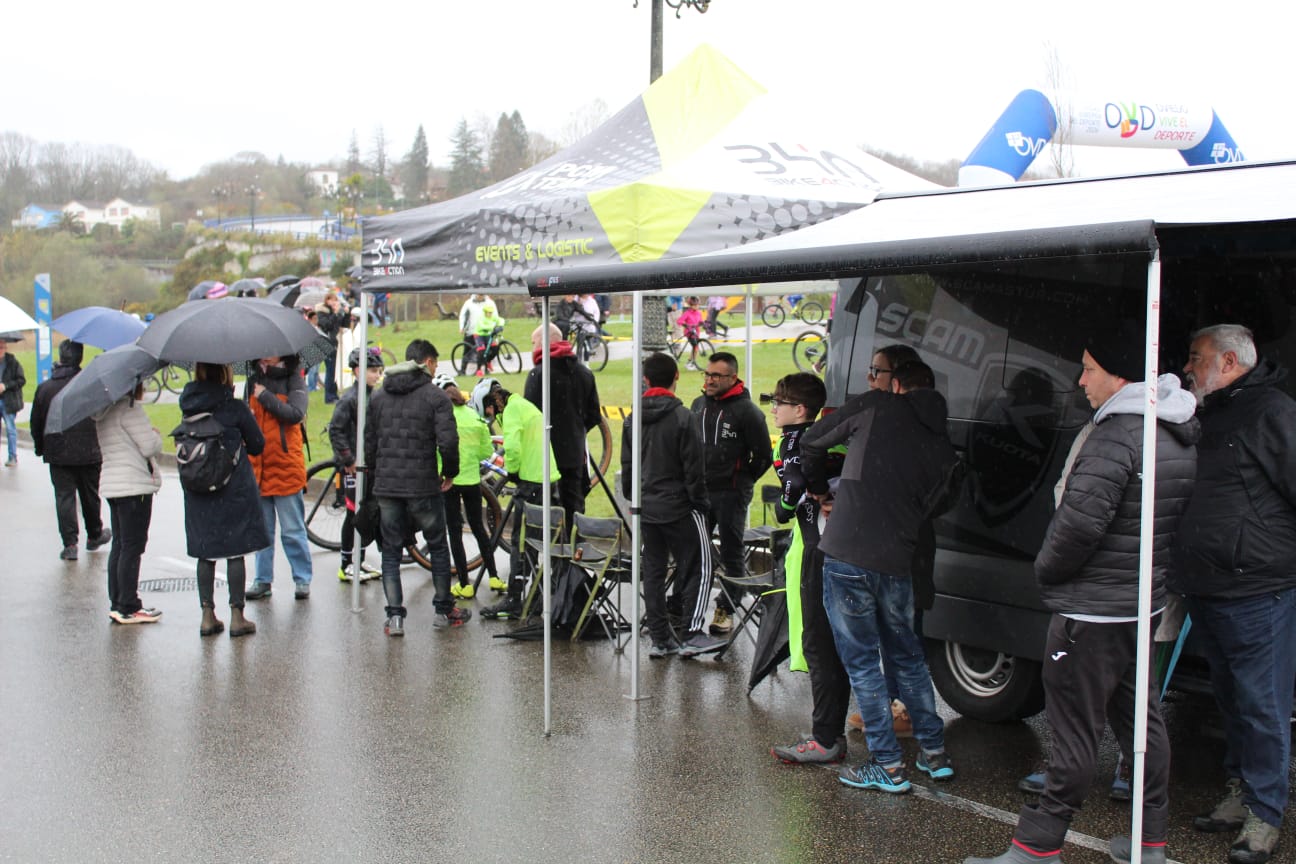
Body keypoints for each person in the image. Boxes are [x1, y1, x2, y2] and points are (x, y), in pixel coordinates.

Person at [965, 326, 1199, 864]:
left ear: (1120, 374)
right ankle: (1150, 842)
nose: (1080, 379)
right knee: (1143, 722)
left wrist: (1046, 573)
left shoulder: (1118, 434)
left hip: (1090, 610)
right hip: (1139, 606)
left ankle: (1036, 846)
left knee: (1073, 731)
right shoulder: (1176, 427)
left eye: (1090, 368)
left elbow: (1077, 528)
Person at [800, 358, 959, 795]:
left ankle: (886, 765)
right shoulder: (945, 447)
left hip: (849, 555)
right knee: (908, 658)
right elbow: (938, 505)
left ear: (898, 386)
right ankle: (934, 754)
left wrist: (818, 489)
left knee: (864, 665)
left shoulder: (876, 407)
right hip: (899, 561)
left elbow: (811, 441)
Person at [1174, 323, 1296, 864]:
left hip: (1258, 590)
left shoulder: (1272, 411)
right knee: (1229, 701)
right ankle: (1240, 791)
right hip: (1209, 587)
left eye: (1196, 358)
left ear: (1228, 361)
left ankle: (1264, 814)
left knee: (1262, 704)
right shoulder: (1206, 411)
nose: (1188, 366)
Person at [767, 373, 851, 764]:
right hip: (833, 542)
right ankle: (829, 730)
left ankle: (826, 737)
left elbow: (796, 481)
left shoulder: (796, 439)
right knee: (832, 642)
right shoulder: (825, 432)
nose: (773, 409)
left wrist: (784, 508)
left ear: (799, 410)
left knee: (820, 643)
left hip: (820, 548)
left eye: (779, 403)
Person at [622, 352, 725, 658]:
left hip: (647, 507)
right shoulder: (684, 417)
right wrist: (700, 503)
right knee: (701, 566)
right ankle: (692, 632)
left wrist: (634, 495)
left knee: (653, 571)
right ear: (676, 377)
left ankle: (660, 638)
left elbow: (628, 464)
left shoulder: (632, 418)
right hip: (680, 506)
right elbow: (695, 467)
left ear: (645, 380)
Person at [364, 339, 467, 635]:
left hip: (387, 485)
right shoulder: (435, 397)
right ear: (428, 363)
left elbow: (369, 442)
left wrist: (375, 474)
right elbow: (448, 441)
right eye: (435, 363)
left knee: (391, 552)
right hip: (423, 484)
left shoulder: (379, 396)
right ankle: (443, 609)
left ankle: (395, 617)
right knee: (437, 546)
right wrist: (450, 472)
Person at [178, 363, 269, 638]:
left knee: (205, 551)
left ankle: (207, 615)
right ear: (225, 374)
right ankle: (237, 616)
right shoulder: (233, 407)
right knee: (234, 549)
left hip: (198, 487)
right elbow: (257, 445)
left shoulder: (188, 406)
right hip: (233, 487)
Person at [690, 352, 772, 635]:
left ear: (732, 378)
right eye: (707, 374)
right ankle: (688, 606)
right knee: (695, 551)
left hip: (731, 494)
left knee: (731, 553)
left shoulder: (748, 412)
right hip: (700, 493)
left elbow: (763, 456)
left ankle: (727, 606)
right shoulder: (698, 405)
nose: (709, 380)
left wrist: (742, 479)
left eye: (716, 376)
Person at [477, 379, 561, 620]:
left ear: (492, 403)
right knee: (534, 541)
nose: (492, 417)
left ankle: (515, 599)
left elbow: (512, 448)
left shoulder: (513, 410)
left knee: (521, 542)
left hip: (534, 481)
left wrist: (512, 470)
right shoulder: (522, 405)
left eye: (490, 413)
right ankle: (535, 594)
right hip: (546, 478)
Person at [29, 340, 111, 561]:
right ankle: (94, 534)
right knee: (90, 495)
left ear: (61, 357)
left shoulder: (45, 388)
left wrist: (39, 447)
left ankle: (70, 543)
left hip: (58, 451)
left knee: (64, 498)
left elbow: (37, 422)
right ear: (80, 358)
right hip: (89, 449)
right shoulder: (89, 385)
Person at [243, 354, 313, 601]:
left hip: (285, 465)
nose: (265, 353)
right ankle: (262, 580)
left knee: (292, 529)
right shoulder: (252, 380)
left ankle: (302, 579)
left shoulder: (294, 379)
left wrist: (264, 396)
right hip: (258, 466)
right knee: (262, 531)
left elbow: (294, 413)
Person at [93, 381, 163, 624]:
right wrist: (155, 435)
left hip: (114, 485)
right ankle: (129, 605)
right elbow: (149, 446)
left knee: (121, 546)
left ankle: (118, 601)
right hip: (134, 485)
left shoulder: (104, 412)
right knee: (133, 546)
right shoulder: (129, 409)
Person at [428, 372, 500, 599]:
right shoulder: (474, 417)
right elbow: (486, 452)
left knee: (455, 531)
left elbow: (435, 450)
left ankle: (464, 583)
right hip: (471, 481)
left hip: (448, 482)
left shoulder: (440, 418)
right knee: (479, 528)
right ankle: (495, 577)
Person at [524, 323, 602, 529]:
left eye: (533, 343)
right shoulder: (585, 373)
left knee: (542, 515)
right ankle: (571, 556)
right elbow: (594, 415)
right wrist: (575, 430)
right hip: (574, 454)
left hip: (544, 456)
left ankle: (548, 557)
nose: (532, 348)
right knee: (573, 512)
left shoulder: (539, 374)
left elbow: (529, 418)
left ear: (544, 342)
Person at [328, 346, 385, 583]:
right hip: (354, 466)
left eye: (379, 370)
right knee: (353, 514)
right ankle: (346, 563)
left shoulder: (373, 395)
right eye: (372, 370)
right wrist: (348, 459)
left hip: (370, 464)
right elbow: (336, 430)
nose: (376, 375)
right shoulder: (350, 399)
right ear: (357, 371)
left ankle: (358, 561)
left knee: (365, 515)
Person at [315, 291, 349, 404]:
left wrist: (345, 314)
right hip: (325, 343)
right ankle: (329, 397)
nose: (334, 302)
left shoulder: (335, 311)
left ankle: (334, 395)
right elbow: (327, 325)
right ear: (327, 300)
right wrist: (335, 314)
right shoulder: (321, 312)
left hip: (336, 342)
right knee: (330, 370)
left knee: (334, 370)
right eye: (331, 300)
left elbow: (344, 324)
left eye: (335, 300)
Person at [0, 338, 25, 466]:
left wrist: (5, 386)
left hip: (8, 401)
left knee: (10, 429)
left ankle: (12, 456)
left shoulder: (12, 362)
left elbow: (21, 380)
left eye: (2, 347)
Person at [472, 300, 506, 377]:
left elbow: (501, 320)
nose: (490, 314)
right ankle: (479, 369)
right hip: (479, 334)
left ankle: (488, 361)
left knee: (495, 348)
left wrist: (500, 326)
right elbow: (482, 326)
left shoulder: (492, 316)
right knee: (482, 350)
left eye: (491, 312)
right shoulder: (481, 317)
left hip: (488, 334)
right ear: (485, 312)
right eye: (489, 312)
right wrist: (493, 327)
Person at [675, 296, 705, 371]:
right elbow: (679, 321)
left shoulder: (699, 313)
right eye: (695, 305)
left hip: (696, 333)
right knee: (695, 347)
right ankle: (691, 363)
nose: (697, 306)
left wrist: (703, 323)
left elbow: (700, 321)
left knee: (695, 348)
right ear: (691, 306)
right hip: (689, 333)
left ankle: (690, 362)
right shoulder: (687, 313)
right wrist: (686, 325)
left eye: (697, 305)